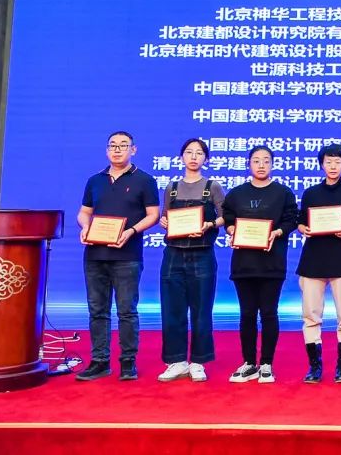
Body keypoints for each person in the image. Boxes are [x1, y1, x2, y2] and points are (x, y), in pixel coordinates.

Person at [75, 131, 160, 382]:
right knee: (97, 310)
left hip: (127, 255)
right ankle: (100, 361)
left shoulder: (145, 180)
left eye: (123, 145)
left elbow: (153, 215)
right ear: (106, 150)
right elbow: (84, 212)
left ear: (133, 150)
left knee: (127, 311)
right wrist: (85, 227)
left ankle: (128, 362)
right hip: (95, 254)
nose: (117, 149)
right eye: (113, 145)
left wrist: (131, 231)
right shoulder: (95, 180)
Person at [223, 146, 298, 384]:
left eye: (266, 160)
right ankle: (249, 363)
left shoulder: (283, 193)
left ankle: (266, 363)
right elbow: (228, 218)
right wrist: (231, 229)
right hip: (244, 263)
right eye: (256, 160)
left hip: (271, 262)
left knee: (268, 313)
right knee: (246, 314)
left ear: (272, 164)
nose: (261, 165)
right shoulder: (236, 193)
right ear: (249, 164)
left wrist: (277, 232)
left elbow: (291, 220)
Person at [157, 138, 225, 383]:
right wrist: (164, 222)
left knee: (201, 310)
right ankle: (176, 361)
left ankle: (198, 362)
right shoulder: (172, 187)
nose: (194, 157)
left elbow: (225, 217)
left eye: (199, 153)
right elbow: (165, 217)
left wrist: (210, 224)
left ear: (205, 158)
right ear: (182, 157)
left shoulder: (212, 186)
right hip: (173, 254)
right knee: (172, 309)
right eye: (189, 152)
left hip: (202, 254)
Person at [296, 143, 341, 384]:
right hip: (313, 261)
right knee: (311, 317)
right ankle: (314, 366)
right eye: (328, 162)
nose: (333, 166)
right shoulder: (311, 193)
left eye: (337, 162)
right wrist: (304, 229)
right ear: (321, 164)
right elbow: (300, 222)